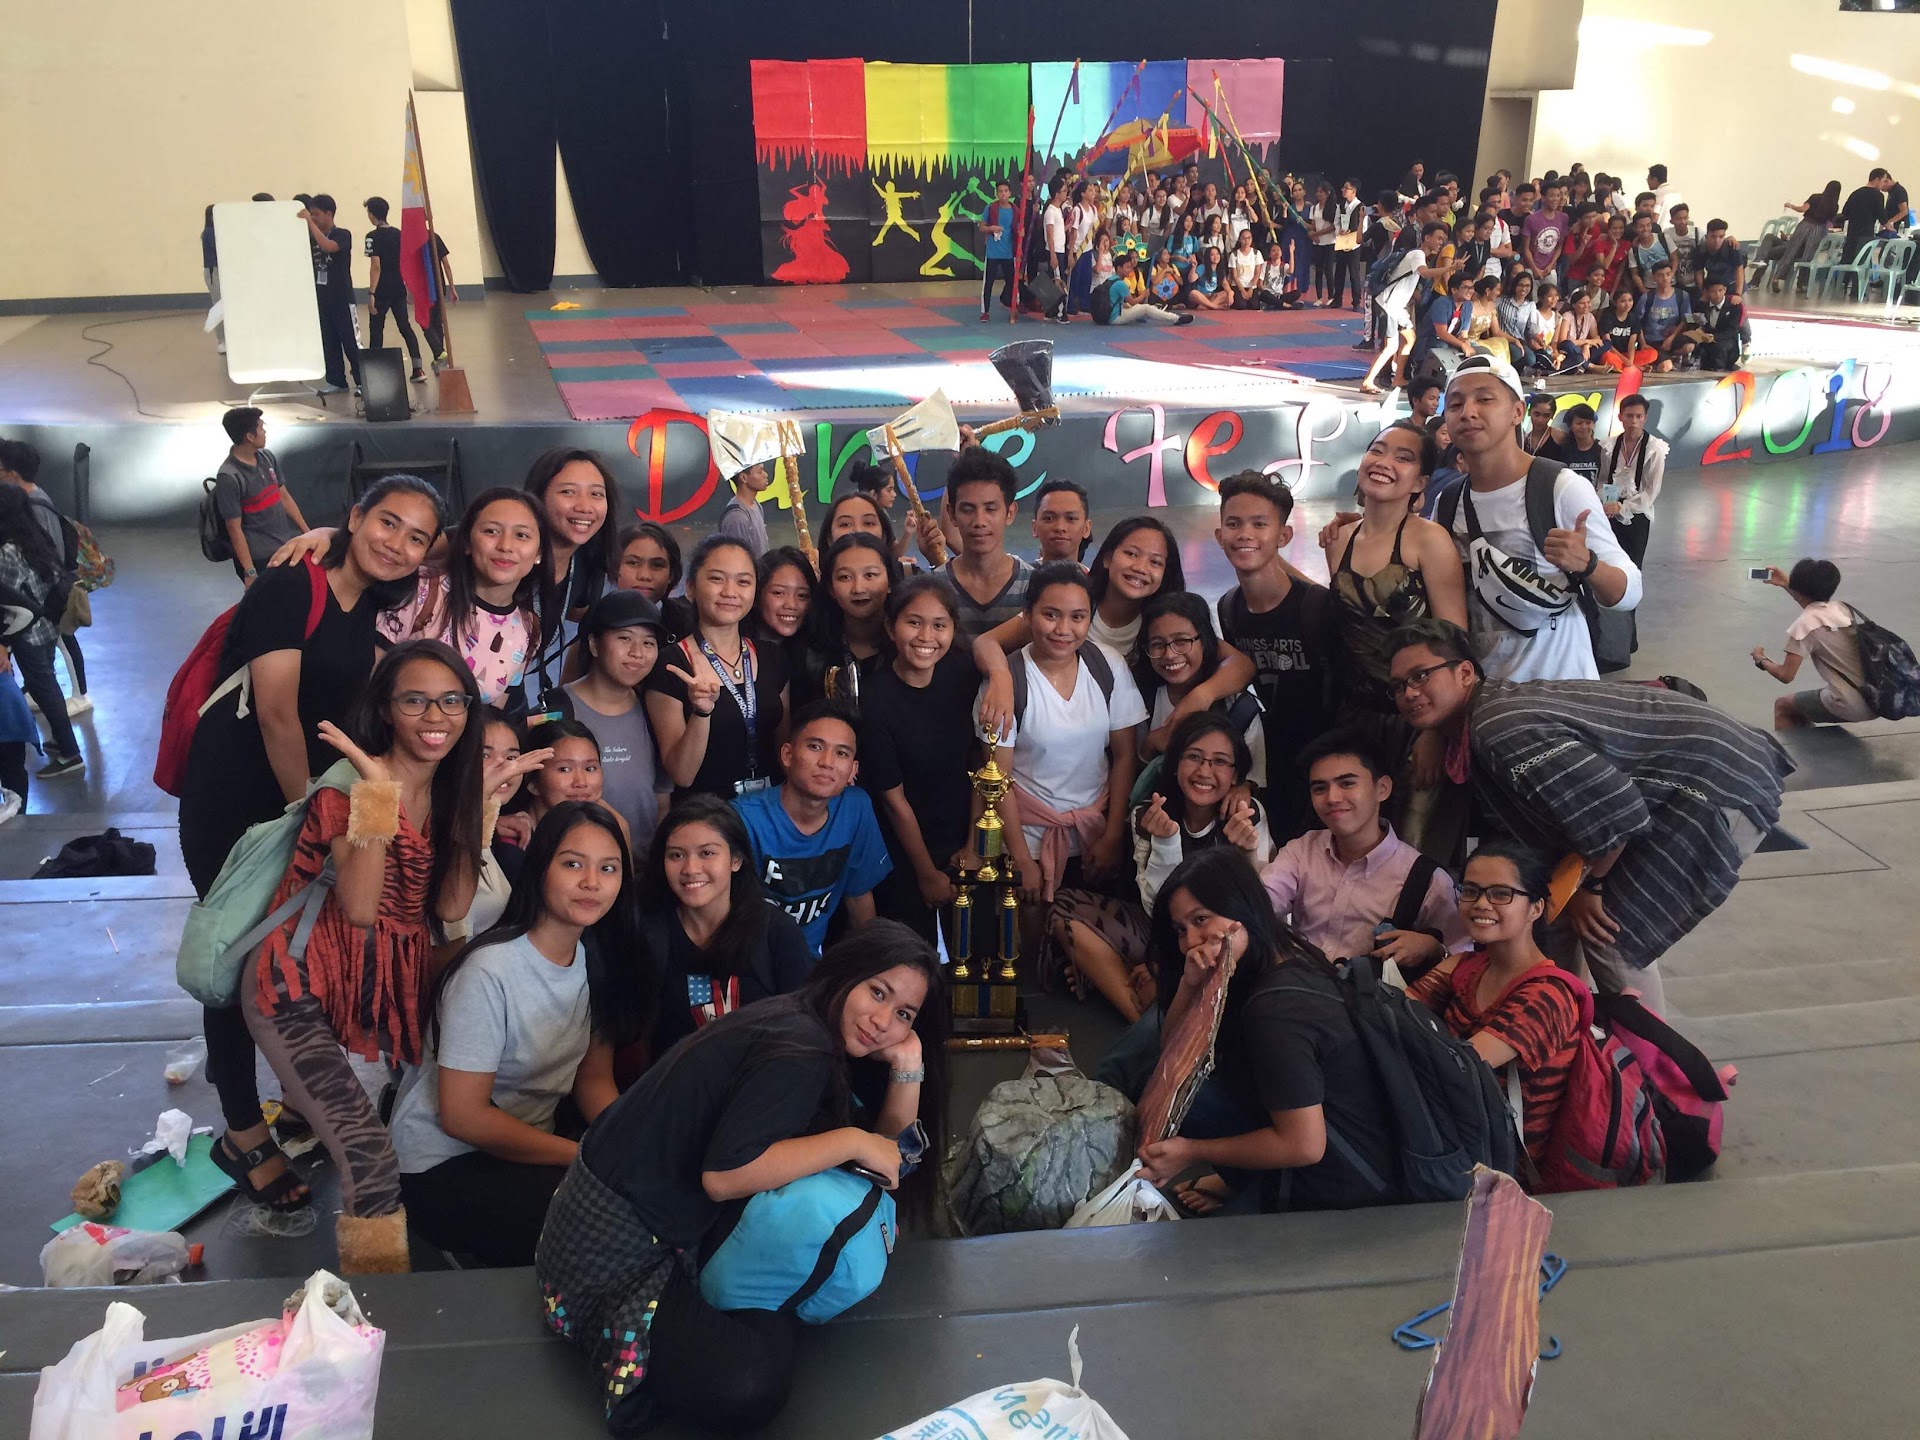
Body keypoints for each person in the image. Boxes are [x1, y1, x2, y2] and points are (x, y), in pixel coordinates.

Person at [535, 922, 946, 1434]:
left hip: (634, 1223)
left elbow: (888, 1162)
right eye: (877, 992)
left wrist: (909, 1063)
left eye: (904, 1014)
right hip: (610, 1253)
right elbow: (725, 1176)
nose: (882, 1021)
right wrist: (852, 1141)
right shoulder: (800, 1045)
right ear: (845, 973)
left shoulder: (808, 1027)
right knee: (750, 1384)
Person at [182, 478, 445, 1212]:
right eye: (386, 522)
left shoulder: (367, 601)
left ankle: (292, 1103)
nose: (397, 543)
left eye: (416, 537)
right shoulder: (290, 587)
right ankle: (242, 1132)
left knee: (295, 953)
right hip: (239, 803)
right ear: (355, 516)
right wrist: (312, 815)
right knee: (241, 959)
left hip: (299, 805)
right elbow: (275, 712)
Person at [242, 640, 546, 1272]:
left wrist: (480, 807)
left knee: (376, 1134)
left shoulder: (450, 792)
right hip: (294, 985)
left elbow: (452, 903)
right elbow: (360, 906)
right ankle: (377, 1307)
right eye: (415, 700)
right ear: (386, 709)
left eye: (452, 701)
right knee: (369, 1160)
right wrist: (378, 797)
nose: (436, 716)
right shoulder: (348, 787)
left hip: (369, 984)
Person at [1387, 619, 1793, 1014]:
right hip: (1701, 769)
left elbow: (1618, 812)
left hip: (1717, 779)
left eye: (1421, 676)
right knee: (1560, 914)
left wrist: (1592, 887)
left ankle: (1648, 1056)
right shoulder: (1487, 710)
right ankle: (1565, 1026)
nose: (1409, 693)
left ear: (1464, 673)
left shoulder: (1499, 728)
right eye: (1399, 686)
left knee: (1610, 932)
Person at [392, 802, 649, 1265]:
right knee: (607, 1224)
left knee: (647, 1197)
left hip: (529, 1147)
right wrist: (581, 1156)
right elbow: (463, 1118)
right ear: (540, 867)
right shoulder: (490, 970)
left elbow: (593, 1081)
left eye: (608, 868)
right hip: (443, 1163)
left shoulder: (596, 960)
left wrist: (633, 1145)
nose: (592, 882)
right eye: (573, 864)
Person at [1133, 848, 1400, 1215]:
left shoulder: (1276, 1009)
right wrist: (1189, 985)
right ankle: (1242, 1180)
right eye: (1182, 929)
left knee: (1201, 1248)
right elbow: (1173, 1057)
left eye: (1201, 919)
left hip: (1343, 1186)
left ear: (1242, 910)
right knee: (1158, 1069)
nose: (1192, 940)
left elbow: (1305, 1145)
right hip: (1322, 1132)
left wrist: (1191, 1152)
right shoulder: (1280, 953)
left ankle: (1252, 1186)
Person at [1436, 355, 1639, 683]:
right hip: (1486, 696)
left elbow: (1630, 591)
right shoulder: (1448, 501)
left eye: (1485, 399)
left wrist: (1588, 564)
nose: (1468, 412)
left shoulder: (1560, 487)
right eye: (1455, 404)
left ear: (1517, 412)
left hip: (1560, 695)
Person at [1322, 422, 1471, 859]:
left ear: (1420, 482)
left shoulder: (1429, 540)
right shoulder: (1339, 539)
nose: (1384, 462)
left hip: (1419, 720)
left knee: (1414, 849)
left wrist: (1435, 732)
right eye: (1377, 450)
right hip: (1355, 719)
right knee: (1358, 844)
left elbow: (1454, 641)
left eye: (1403, 458)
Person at [1408, 841, 1580, 1180]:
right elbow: (1392, 1014)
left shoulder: (1548, 996)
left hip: (1505, 1172)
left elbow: (1458, 1068)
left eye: (1501, 894)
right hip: (1454, 1137)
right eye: (1471, 891)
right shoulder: (1463, 965)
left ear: (1536, 908)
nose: (1481, 903)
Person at [985, 563, 1147, 912]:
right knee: (1032, 936)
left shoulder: (1107, 665)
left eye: (1077, 617)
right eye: (1051, 615)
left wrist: (1113, 836)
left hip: (1094, 838)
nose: (1063, 629)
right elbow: (998, 779)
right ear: (1028, 615)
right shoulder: (1007, 682)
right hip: (1029, 840)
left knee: (1092, 933)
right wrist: (1021, 858)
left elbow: (1124, 756)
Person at [1260, 729, 1469, 966]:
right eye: (1320, 788)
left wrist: (1434, 949)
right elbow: (1260, 901)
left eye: (1347, 783)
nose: (1332, 798)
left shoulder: (1427, 879)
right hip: (1296, 983)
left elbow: (1463, 957)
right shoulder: (1302, 850)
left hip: (1374, 989)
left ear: (1382, 789)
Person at [640, 794, 815, 1062]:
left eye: (707, 853)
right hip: (679, 1085)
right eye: (676, 855)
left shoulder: (777, 931)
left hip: (762, 1081)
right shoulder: (649, 934)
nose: (690, 868)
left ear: (736, 859)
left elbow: (806, 1033)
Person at [1213, 471, 1337, 840]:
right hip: (1272, 769)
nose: (1244, 533)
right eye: (1233, 524)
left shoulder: (1317, 607)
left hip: (1326, 767)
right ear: (1219, 536)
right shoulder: (1228, 609)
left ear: (1283, 536)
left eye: (1259, 524)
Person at [859, 576, 980, 945]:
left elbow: (981, 764)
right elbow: (893, 800)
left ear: (953, 630)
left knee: (977, 950)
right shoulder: (875, 697)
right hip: (904, 848)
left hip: (963, 838)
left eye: (939, 625)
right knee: (911, 951)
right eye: (914, 622)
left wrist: (975, 846)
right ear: (890, 628)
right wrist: (926, 873)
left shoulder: (963, 672)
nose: (926, 636)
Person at [731, 700, 890, 952]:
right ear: (787, 755)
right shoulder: (743, 817)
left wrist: (871, 962)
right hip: (749, 958)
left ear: (853, 770)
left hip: (812, 961)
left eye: (841, 753)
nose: (827, 762)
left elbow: (858, 896)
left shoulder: (855, 808)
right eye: (815, 747)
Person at [645, 535, 790, 800]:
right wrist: (702, 713)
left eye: (743, 582)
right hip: (708, 813)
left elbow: (785, 749)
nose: (730, 592)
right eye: (716, 579)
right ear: (691, 588)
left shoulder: (772, 657)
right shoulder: (671, 664)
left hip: (770, 807)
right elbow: (682, 774)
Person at [377, 487, 542, 706]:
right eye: (491, 531)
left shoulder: (528, 628)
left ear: (539, 553)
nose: (505, 546)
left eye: (521, 535)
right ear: (467, 543)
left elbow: (494, 712)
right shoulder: (421, 590)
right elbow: (371, 684)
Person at [558, 589, 670, 856]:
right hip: (579, 863)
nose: (637, 653)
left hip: (643, 866)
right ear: (594, 645)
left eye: (648, 643)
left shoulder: (655, 711)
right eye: (624, 638)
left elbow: (662, 803)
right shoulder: (556, 709)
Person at [1135, 591, 1267, 793]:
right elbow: (1133, 778)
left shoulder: (1240, 709)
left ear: (1204, 641)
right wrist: (1151, 742)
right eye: (1157, 644)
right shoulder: (1143, 699)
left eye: (1182, 641)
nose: (1170, 654)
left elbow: (1253, 778)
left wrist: (1243, 788)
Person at [0, 439, 90, 717]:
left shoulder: (33, 507)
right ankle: (39, 693)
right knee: (55, 646)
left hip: (49, 594)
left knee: (64, 640)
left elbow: (45, 553)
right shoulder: (35, 499)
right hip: (48, 590)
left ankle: (80, 695)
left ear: (12, 474)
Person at [0, 485, 82, 779]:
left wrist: (2, 644)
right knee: (46, 685)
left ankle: (70, 753)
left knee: (44, 690)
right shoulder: (36, 537)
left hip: (26, 633)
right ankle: (62, 742)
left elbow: (6, 601)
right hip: (48, 625)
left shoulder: (7, 551)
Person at [1752, 558, 1875, 728]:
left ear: (1799, 590)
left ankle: (1791, 746)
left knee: (1783, 706)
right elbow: (1813, 609)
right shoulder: (1843, 608)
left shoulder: (1804, 626)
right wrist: (1786, 584)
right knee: (1802, 706)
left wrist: (1761, 659)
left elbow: (1785, 675)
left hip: (1848, 703)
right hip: (1875, 697)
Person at [927, 448, 1031, 646]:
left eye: (990, 509)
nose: (979, 521)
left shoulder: (1034, 586)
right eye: (968, 510)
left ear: (1010, 513)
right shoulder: (933, 588)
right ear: (952, 514)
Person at [795, 531, 893, 708]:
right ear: (830, 588)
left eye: (870, 575)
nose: (858, 588)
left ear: (890, 582)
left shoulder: (907, 644)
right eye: (845, 577)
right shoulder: (809, 650)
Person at [213, 408, 309, 588]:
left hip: (283, 547)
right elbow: (234, 529)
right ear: (250, 437)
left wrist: (307, 532)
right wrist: (250, 572)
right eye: (261, 427)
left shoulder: (267, 458)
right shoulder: (229, 477)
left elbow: (284, 497)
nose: (264, 432)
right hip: (259, 559)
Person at [1361, 221, 1450, 394]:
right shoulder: (1418, 254)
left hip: (1397, 306)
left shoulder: (1418, 255)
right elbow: (1424, 273)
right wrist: (1450, 268)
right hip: (1388, 304)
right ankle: (1367, 381)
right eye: (1438, 238)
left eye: (1443, 239)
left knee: (1409, 338)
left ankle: (1398, 377)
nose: (1441, 242)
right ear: (1427, 238)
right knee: (1391, 346)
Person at [299, 195, 361, 395]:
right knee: (329, 341)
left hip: (342, 299)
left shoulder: (342, 234)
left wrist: (309, 223)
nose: (313, 218)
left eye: (316, 214)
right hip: (322, 298)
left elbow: (329, 247)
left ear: (329, 214)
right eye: (311, 215)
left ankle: (362, 381)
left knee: (351, 341)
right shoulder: (311, 239)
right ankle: (336, 381)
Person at [362, 197, 426, 383]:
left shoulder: (371, 237)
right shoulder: (399, 234)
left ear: (372, 214)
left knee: (376, 329)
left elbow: (376, 266)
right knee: (405, 326)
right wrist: (408, 286)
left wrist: (371, 293)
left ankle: (375, 373)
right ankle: (418, 368)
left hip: (381, 289)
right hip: (398, 287)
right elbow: (406, 262)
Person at [1600, 394, 1666, 568]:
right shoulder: (1609, 445)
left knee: (1633, 565)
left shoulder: (1654, 449)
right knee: (1609, 562)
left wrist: (1624, 507)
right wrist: (1609, 503)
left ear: (1645, 418)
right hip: (1610, 511)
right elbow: (1604, 478)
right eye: (1629, 416)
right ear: (1620, 416)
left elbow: (1652, 489)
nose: (1634, 421)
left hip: (1638, 512)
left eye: (1639, 416)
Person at [1764, 181, 1842, 292]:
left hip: (1804, 225)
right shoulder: (1834, 205)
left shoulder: (1815, 197)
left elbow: (1803, 209)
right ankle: (1801, 285)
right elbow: (1829, 221)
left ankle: (1776, 278)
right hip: (1818, 229)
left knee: (1791, 251)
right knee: (1808, 256)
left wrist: (1791, 206)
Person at [1091, 250, 1190, 326]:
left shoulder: (1111, 279)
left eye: (1130, 267)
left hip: (1110, 314)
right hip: (1114, 318)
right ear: (1119, 268)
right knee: (1145, 308)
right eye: (1127, 267)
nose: (1130, 270)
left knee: (1143, 308)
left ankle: (1164, 314)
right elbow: (1133, 302)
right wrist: (1144, 295)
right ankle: (1176, 318)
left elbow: (1119, 302)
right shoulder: (1120, 284)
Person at [715, 462, 778, 563]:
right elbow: (736, 559)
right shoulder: (737, 517)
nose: (765, 475)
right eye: (760, 472)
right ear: (744, 478)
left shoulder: (756, 505)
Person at [612, 521, 682, 606]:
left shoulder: (684, 614)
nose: (645, 576)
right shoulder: (598, 612)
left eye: (657, 565)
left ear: (671, 575)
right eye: (633, 563)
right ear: (615, 568)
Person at [1498, 270, 1551, 376]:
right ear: (1515, 286)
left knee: (1531, 359)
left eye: (1527, 286)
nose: (1523, 289)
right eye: (1520, 285)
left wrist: (1541, 342)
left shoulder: (1530, 305)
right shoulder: (1501, 301)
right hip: (1503, 339)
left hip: (1520, 341)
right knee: (1517, 353)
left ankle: (1516, 371)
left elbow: (1532, 328)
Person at [1030, 478, 1093, 565]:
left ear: (1086, 528)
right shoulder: (1017, 572)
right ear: (1035, 527)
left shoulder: (1096, 575)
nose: (1060, 527)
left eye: (1071, 518)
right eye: (1049, 518)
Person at [980, 177, 1018, 321]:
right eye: (1000, 191)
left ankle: (1013, 308)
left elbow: (1019, 229)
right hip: (993, 252)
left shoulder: (1015, 210)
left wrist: (1021, 232)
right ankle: (985, 311)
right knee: (988, 283)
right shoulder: (990, 208)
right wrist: (991, 228)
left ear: (1010, 193)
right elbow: (982, 227)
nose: (1003, 194)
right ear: (997, 194)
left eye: (1005, 191)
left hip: (1008, 253)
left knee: (1012, 283)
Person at [1691, 278, 1746, 372]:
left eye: (1720, 290)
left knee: (1719, 347)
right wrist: (1699, 330)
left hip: (1725, 341)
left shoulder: (1734, 306)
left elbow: (1733, 330)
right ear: (1706, 292)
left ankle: (1720, 369)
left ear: (1725, 289)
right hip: (1706, 339)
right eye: (1713, 291)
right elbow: (1696, 322)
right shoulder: (1701, 305)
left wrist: (1714, 337)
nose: (1717, 295)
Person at [1840, 169, 1893, 264]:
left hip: (1852, 234)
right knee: (1862, 263)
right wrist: (1889, 227)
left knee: (1847, 262)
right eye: (1883, 181)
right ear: (1877, 179)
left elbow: (1845, 212)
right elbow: (1881, 216)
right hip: (1866, 234)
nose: (1884, 184)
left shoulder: (1855, 193)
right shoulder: (1878, 195)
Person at [1600, 288, 1656, 371]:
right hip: (1613, 353)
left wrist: (1630, 361)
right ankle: (1635, 367)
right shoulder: (1607, 317)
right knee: (1607, 357)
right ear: (1615, 303)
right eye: (1623, 301)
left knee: (1653, 353)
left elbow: (1632, 343)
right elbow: (1608, 345)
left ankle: (1624, 368)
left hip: (1627, 354)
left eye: (1630, 300)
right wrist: (1625, 360)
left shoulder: (1633, 317)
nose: (1627, 304)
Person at [1554, 403, 1605, 489]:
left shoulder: (1602, 449)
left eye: (1588, 423)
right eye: (1579, 423)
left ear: (1594, 424)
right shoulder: (1563, 451)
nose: (1584, 427)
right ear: (1570, 426)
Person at [1554, 289, 1605, 373]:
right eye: (1582, 303)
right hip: (1569, 350)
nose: (1586, 305)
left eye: (1588, 302)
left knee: (1606, 343)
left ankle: (1582, 364)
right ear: (1574, 305)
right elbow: (1563, 341)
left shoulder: (1590, 316)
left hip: (1582, 350)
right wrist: (1587, 341)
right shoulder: (1567, 316)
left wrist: (1586, 345)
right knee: (1567, 344)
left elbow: (1596, 338)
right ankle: (1590, 366)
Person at [1186, 245, 1232, 311]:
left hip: (1212, 297)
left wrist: (1230, 292)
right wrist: (1193, 267)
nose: (1216, 256)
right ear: (1208, 257)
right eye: (1212, 255)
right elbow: (1191, 279)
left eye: (1217, 254)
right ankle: (1215, 307)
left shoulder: (1220, 270)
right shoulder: (1203, 267)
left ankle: (1208, 306)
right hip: (1201, 297)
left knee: (1225, 293)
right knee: (1193, 293)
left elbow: (1225, 283)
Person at [1229, 228, 1265, 309]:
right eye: (1244, 238)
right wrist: (1242, 290)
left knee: (1254, 306)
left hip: (1252, 285)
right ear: (1240, 239)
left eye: (1249, 238)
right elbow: (1234, 276)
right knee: (1241, 305)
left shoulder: (1256, 253)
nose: (1246, 241)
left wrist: (1251, 288)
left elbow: (1257, 273)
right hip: (1238, 286)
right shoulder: (1234, 255)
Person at [1521, 393, 1563, 457]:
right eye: (1536, 414)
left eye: (1546, 415)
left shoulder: (1559, 437)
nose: (1540, 420)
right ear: (1529, 412)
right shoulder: (1523, 439)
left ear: (1552, 415)